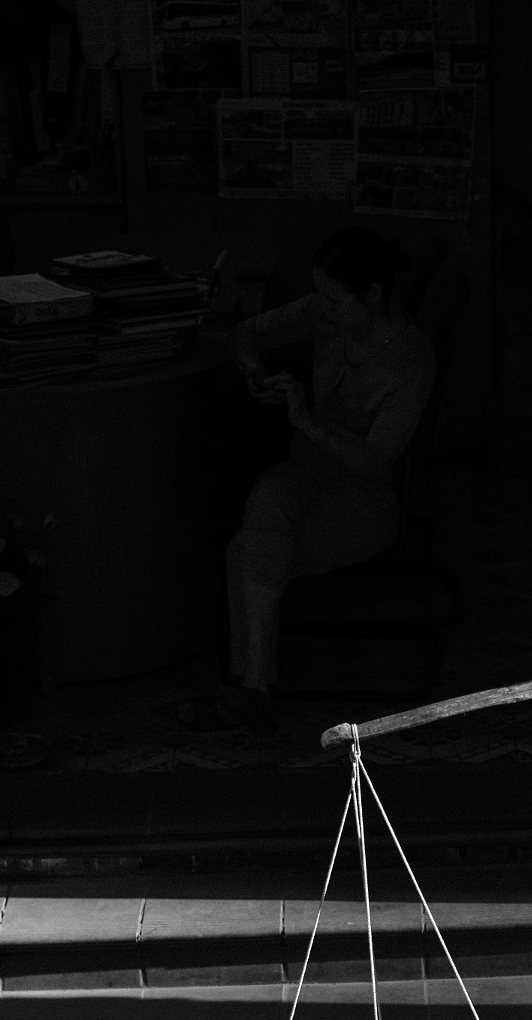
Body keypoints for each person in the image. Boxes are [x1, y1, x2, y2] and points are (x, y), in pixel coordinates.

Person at [186, 226, 438, 732]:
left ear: (372, 294)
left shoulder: (410, 360)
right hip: (306, 466)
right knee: (266, 506)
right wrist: (257, 375)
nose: (322, 305)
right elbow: (246, 333)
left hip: (364, 496)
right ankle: (254, 689)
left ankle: (251, 689)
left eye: (332, 296)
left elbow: (373, 463)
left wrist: (305, 418)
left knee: (246, 551)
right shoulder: (327, 314)